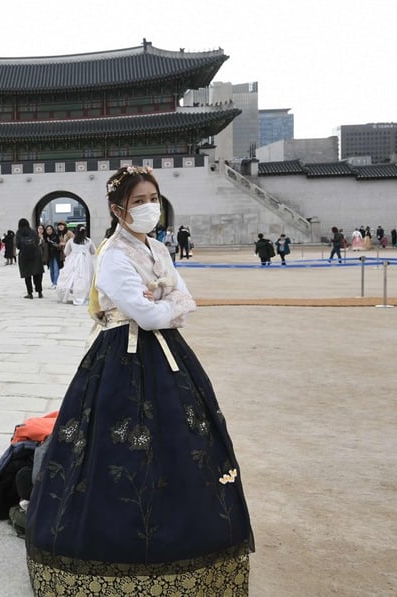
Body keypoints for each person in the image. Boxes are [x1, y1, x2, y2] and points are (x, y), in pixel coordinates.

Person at [25, 165, 253, 595]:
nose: (149, 208)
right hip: (119, 360)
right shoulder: (112, 255)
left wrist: (165, 301)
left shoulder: (159, 249)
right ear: (117, 209)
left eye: (153, 199)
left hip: (168, 357)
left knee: (182, 445)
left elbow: (186, 299)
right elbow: (148, 314)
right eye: (138, 202)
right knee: (116, 453)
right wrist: (164, 302)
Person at [55, 226, 95, 305]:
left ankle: (71, 290)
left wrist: (73, 254)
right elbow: (93, 251)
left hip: (73, 260)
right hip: (85, 261)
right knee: (85, 277)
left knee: (71, 276)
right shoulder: (89, 241)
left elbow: (66, 252)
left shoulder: (71, 241)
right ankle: (83, 294)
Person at [16, 218, 44, 299]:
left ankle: (30, 293)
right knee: (37, 274)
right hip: (35, 255)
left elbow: (17, 245)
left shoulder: (19, 233)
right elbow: (37, 242)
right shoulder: (33, 231)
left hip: (24, 256)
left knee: (27, 275)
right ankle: (39, 292)